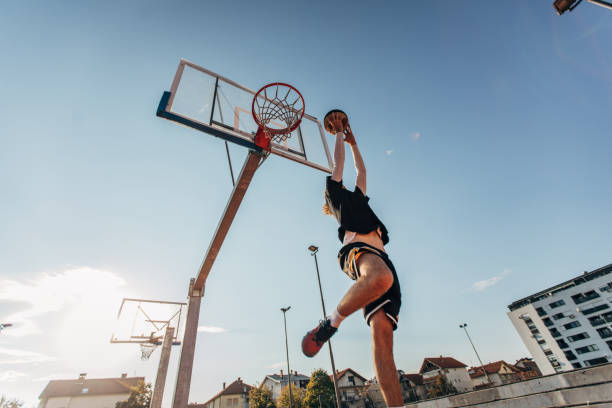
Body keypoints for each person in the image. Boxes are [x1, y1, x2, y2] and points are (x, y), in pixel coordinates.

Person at [301, 110, 405, 408]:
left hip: (382, 255)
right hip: (358, 251)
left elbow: (362, 172)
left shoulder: (358, 197)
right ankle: (330, 323)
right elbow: (340, 165)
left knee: (383, 339)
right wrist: (337, 133)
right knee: (379, 277)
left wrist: (353, 142)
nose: (344, 181)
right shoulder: (334, 195)